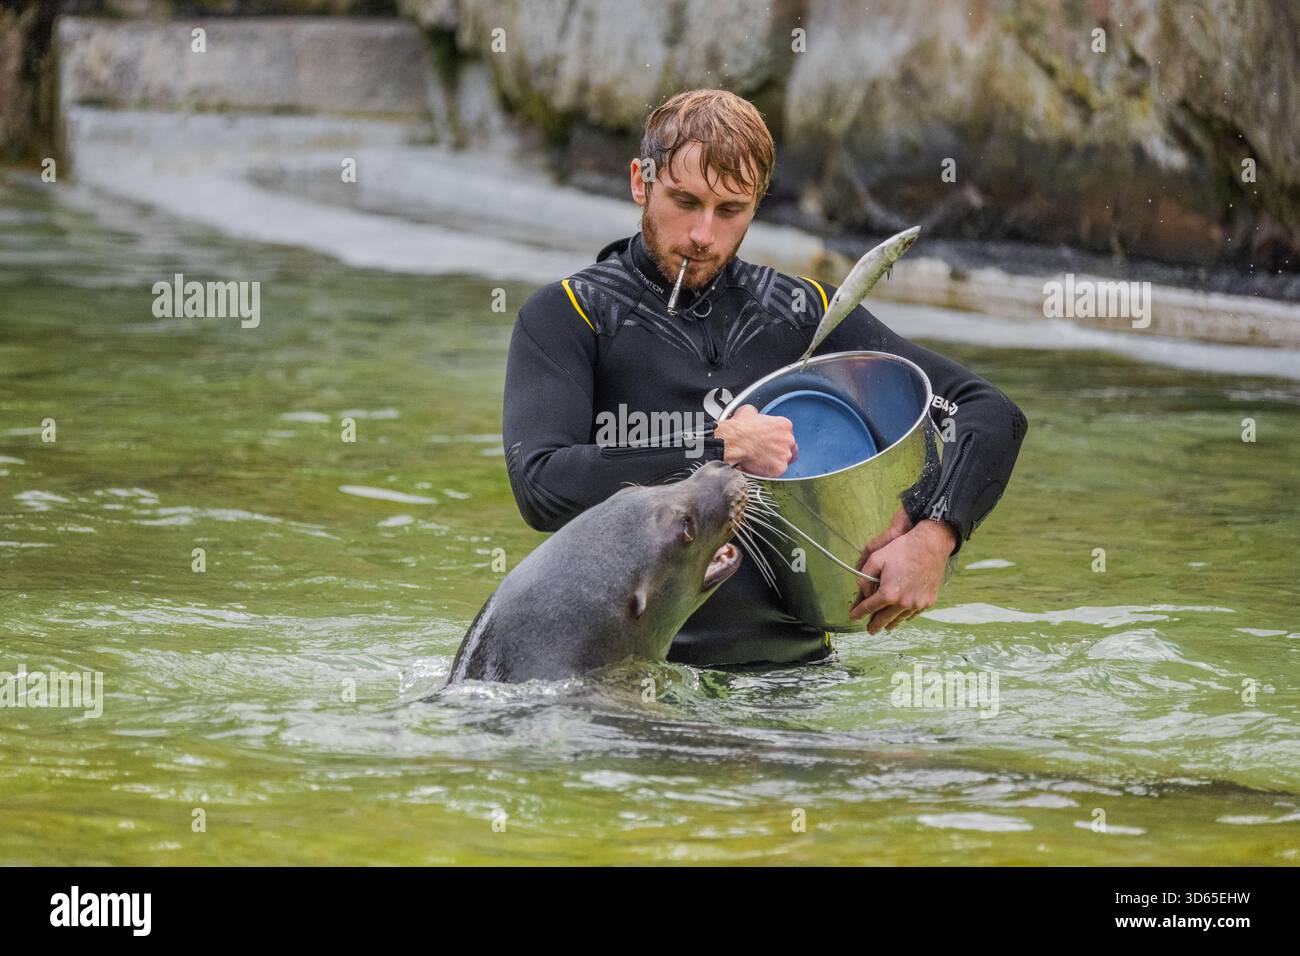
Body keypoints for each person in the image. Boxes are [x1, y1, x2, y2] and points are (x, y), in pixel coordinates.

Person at [502, 89, 1027, 667]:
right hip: (643, 682)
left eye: (730, 211)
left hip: (798, 678)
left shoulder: (806, 317)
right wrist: (721, 448)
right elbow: (542, 486)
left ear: (757, 205)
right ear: (639, 182)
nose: (703, 234)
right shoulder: (571, 315)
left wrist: (935, 536)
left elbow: (988, 412)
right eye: (684, 200)